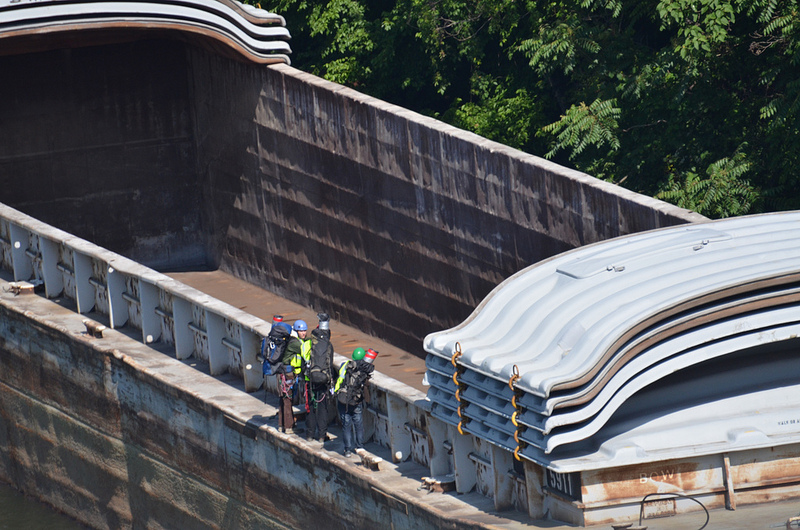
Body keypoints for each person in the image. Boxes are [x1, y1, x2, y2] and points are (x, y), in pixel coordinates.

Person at [335, 347, 375, 457]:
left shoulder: (345, 365)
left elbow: (340, 378)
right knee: (358, 424)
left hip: (343, 399)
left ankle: (347, 450)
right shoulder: (364, 370)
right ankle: (360, 446)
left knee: (346, 425)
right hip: (356, 400)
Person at [305, 313, 334, 442]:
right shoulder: (329, 345)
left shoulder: (308, 344)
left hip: (310, 379)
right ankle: (322, 436)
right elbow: (330, 364)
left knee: (310, 406)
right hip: (324, 379)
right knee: (322, 407)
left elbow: (304, 361)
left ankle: (310, 435)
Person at [280, 319, 311, 433]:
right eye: (301, 331)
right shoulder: (295, 343)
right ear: (296, 331)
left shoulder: (294, 340)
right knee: (288, 400)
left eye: (304, 331)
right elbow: (305, 353)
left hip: (289, 372)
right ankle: (288, 427)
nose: (303, 333)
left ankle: (282, 425)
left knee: (284, 399)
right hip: (289, 373)